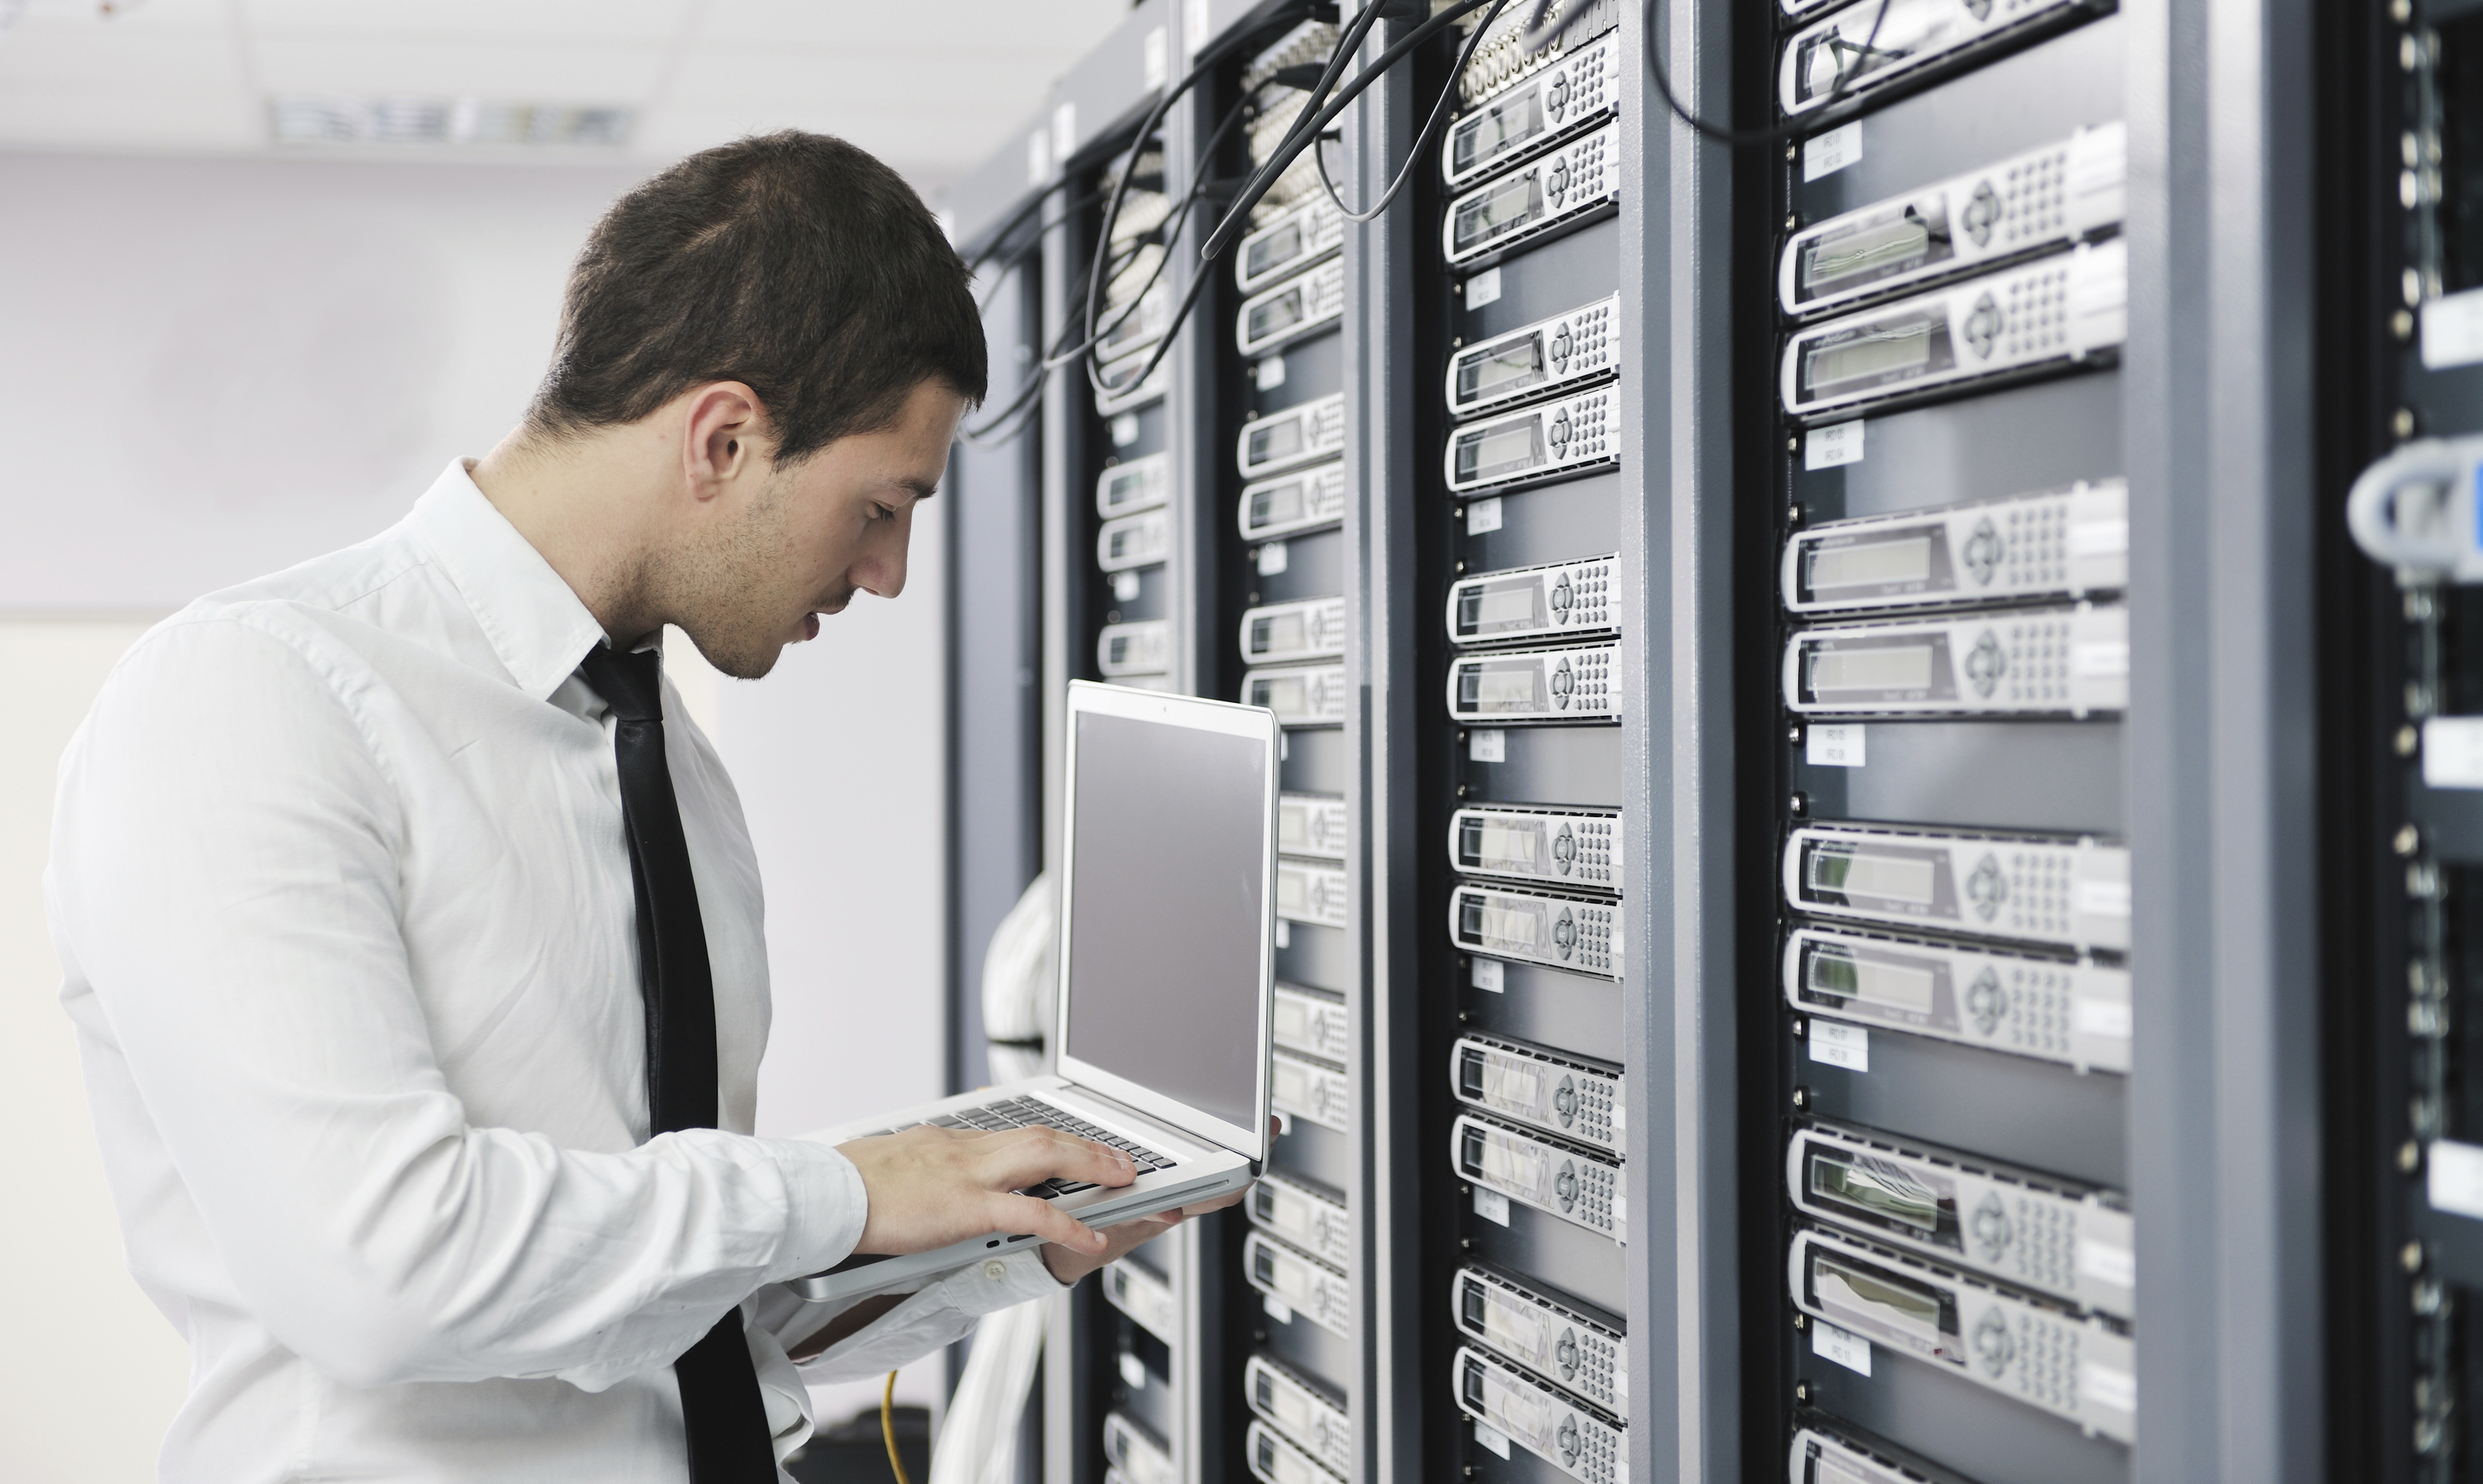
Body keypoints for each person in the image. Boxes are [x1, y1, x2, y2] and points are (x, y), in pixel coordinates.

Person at [46, 130, 1229, 1484]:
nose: (891, 572)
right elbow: (379, 1269)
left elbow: (673, 1312)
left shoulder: (672, 774)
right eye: (881, 506)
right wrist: (845, 1185)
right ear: (725, 438)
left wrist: (993, 1229)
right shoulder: (253, 701)